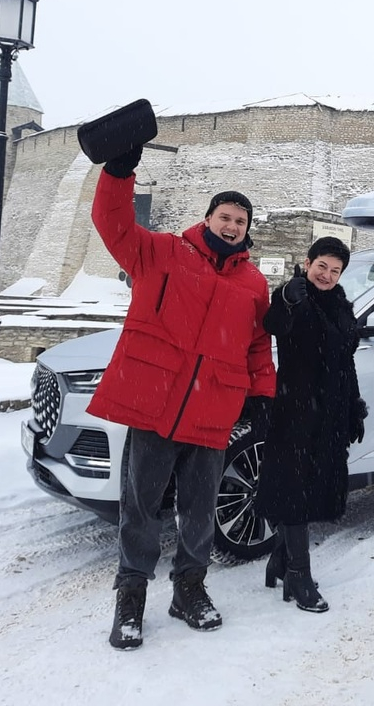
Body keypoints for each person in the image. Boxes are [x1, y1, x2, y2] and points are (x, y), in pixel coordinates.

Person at [86, 145, 275, 651]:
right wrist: (120, 172)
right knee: (141, 507)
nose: (232, 226)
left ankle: (189, 588)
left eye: (240, 220)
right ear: (207, 218)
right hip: (154, 403)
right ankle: (131, 597)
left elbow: (257, 345)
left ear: (247, 228)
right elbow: (113, 224)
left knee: (199, 509)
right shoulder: (162, 253)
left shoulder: (255, 284)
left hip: (214, 409)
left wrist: (262, 395)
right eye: (225, 217)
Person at [255, 236, 368, 614]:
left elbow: (345, 362)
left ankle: (280, 559)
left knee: (312, 485)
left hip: (331, 412)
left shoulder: (339, 305)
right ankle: (298, 575)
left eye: (335, 271)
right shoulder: (292, 294)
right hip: (297, 410)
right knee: (295, 491)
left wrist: (354, 408)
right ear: (308, 261)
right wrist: (288, 297)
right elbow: (274, 324)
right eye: (322, 266)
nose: (327, 275)